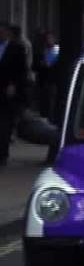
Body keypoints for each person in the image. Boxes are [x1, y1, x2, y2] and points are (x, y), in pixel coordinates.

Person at [0, 22, 33, 166]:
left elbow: (22, 70)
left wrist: (14, 85)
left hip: (8, 91)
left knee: (5, 123)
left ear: (7, 33)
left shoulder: (17, 48)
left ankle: (2, 153)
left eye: (2, 32)